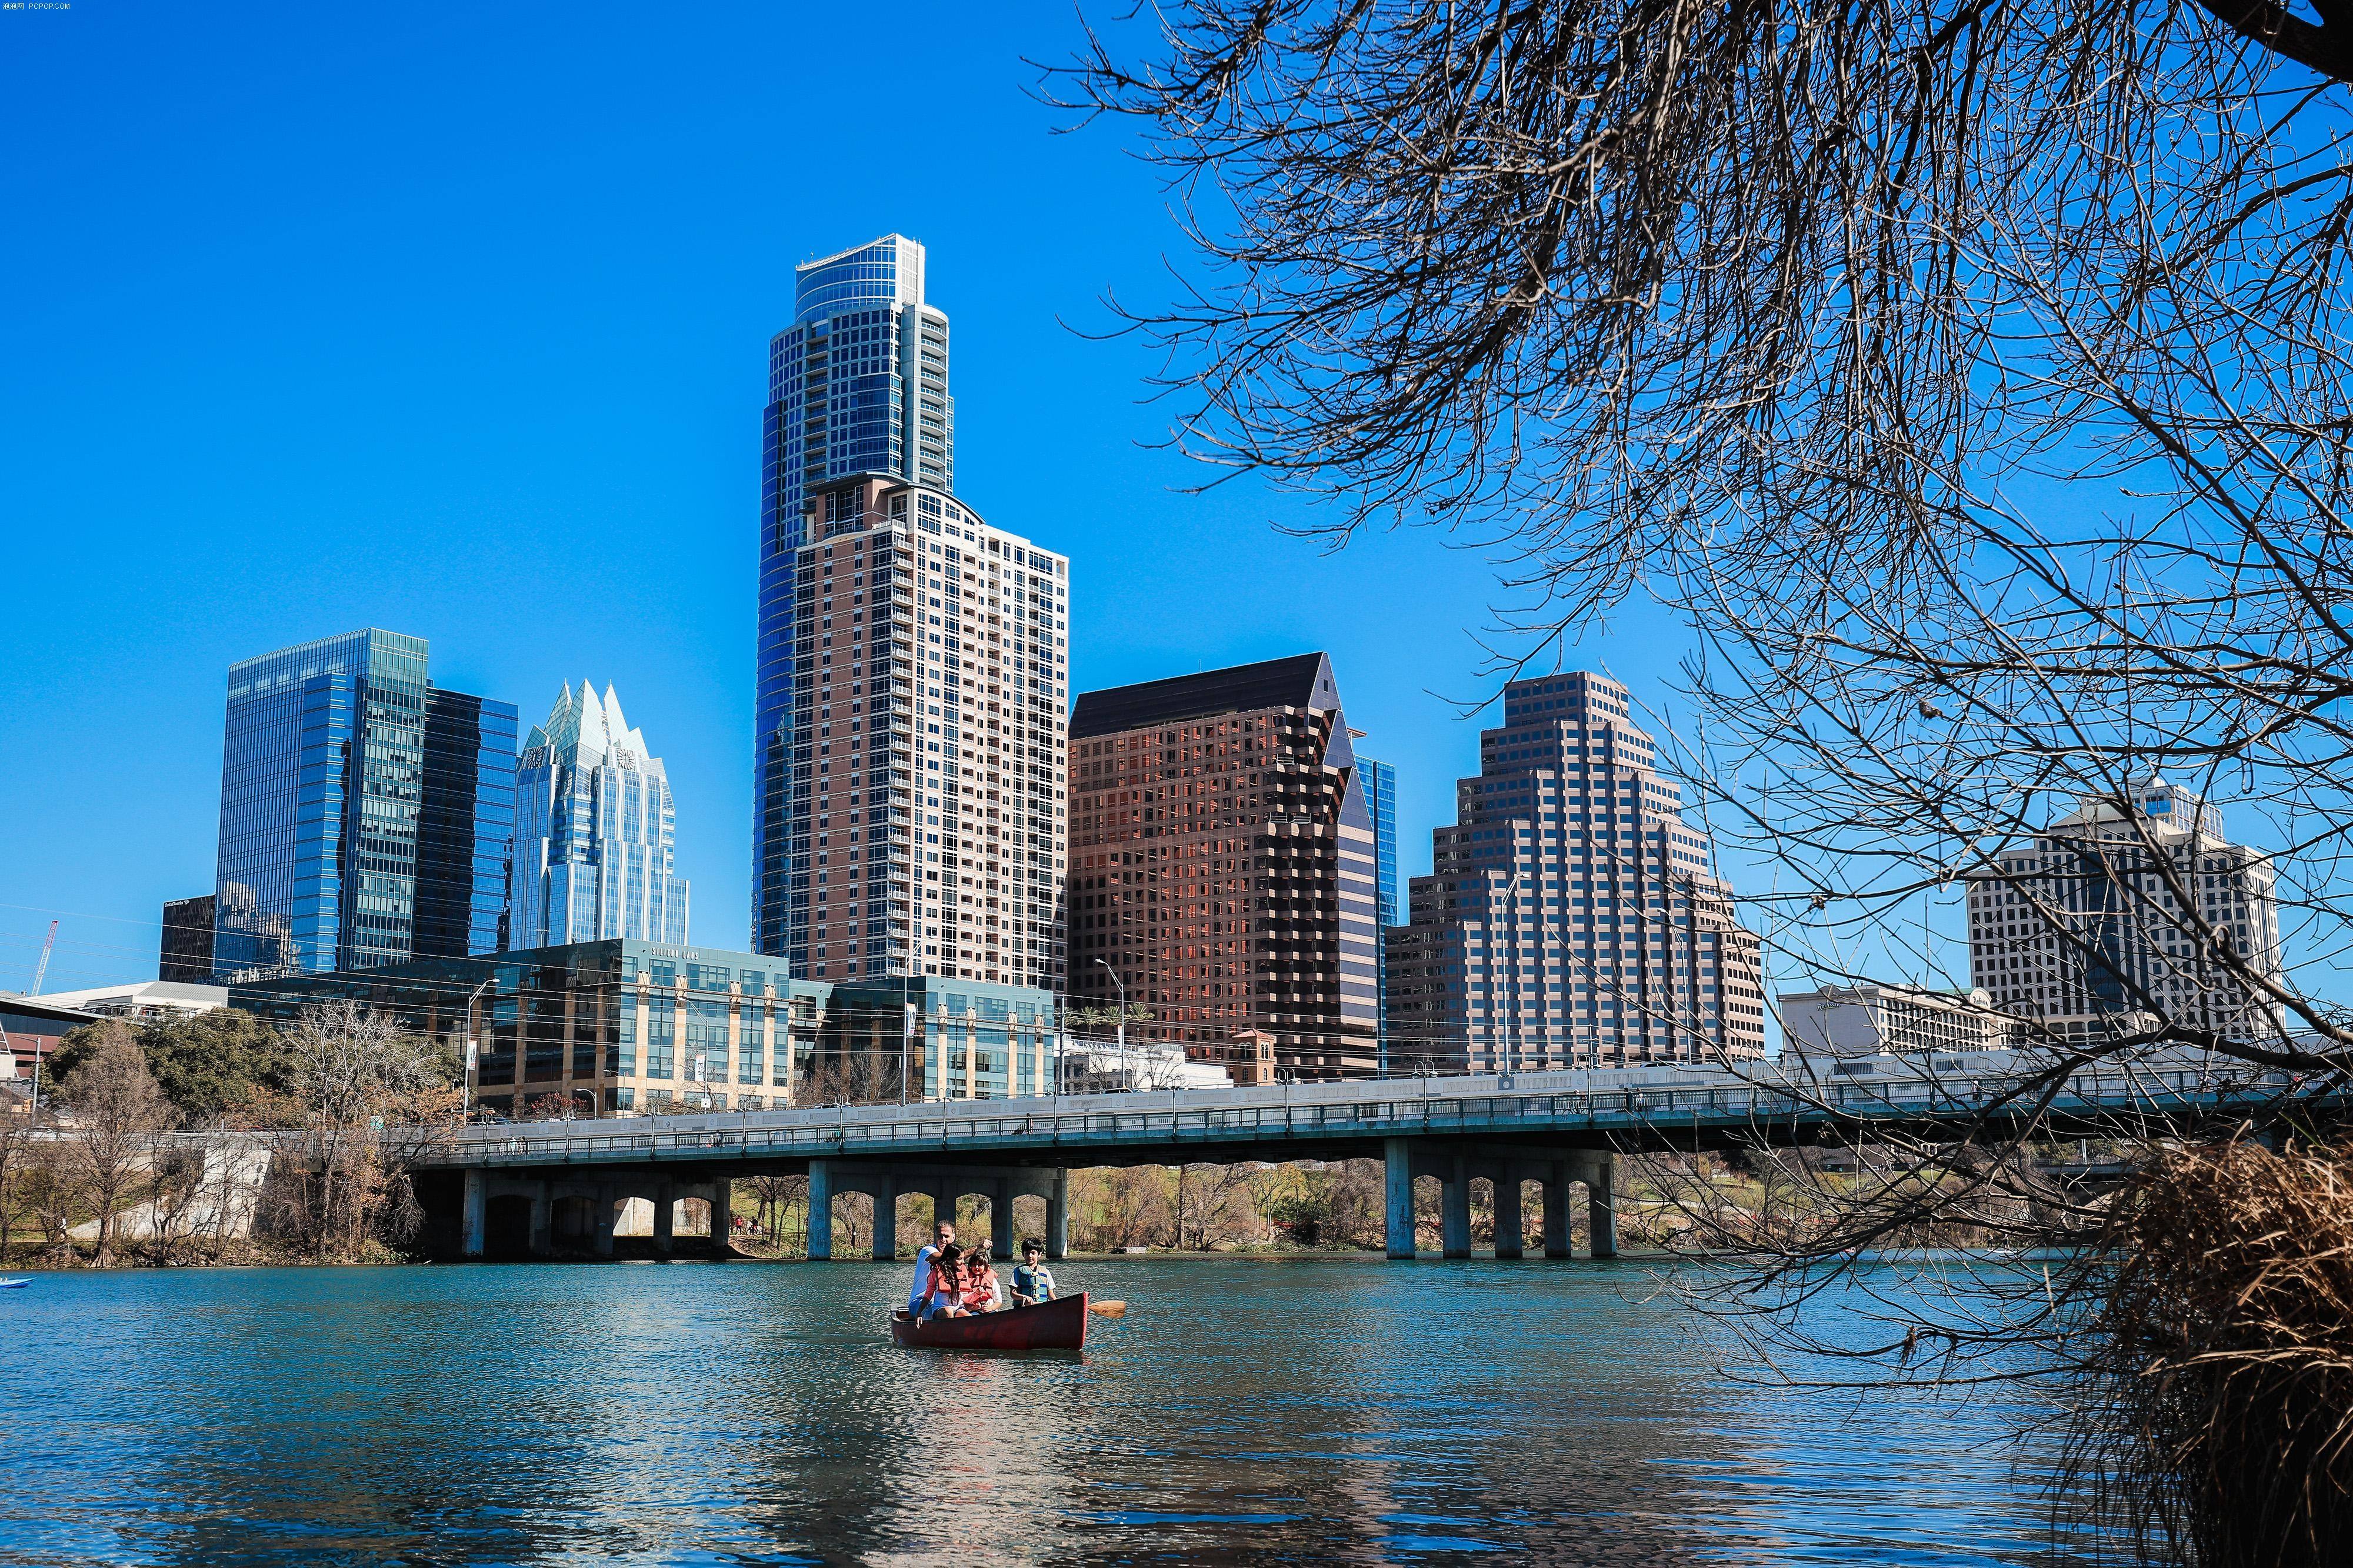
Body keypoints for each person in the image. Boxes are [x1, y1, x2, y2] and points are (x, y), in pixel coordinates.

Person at [908, 1217, 955, 1315]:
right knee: (946, 1311)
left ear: (953, 1238)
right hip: (919, 1302)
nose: (943, 1240)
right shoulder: (927, 1250)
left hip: (943, 1302)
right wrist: (976, 1248)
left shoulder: (956, 1259)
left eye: (946, 1236)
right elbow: (941, 1257)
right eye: (940, 1236)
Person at [917, 1243, 969, 1321]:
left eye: (963, 1259)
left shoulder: (963, 1271)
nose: (963, 1262)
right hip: (940, 1309)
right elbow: (929, 1294)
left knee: (969, 1318)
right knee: (948, 1311)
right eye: (959, 1259)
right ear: (949, 1259)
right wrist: (919, 1312)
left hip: (959, 1308)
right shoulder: (936, 1272)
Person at [1010, 1239, 1057, 1306]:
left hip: (1041, 1308)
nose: (1030, 1256)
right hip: (1023, 1309)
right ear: (1023, 1254)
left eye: (1033, 1253)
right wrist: (1024, 1297)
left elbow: (1051, 1295)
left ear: (1039, 1254)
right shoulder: (1018, 1271)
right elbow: (1013, 1294)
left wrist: (1058, 1305)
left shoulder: (1046, 1272)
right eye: (1027, 1253)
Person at [962, 1240, 1003, 1313]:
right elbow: (963, 1300)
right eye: (974, 1265)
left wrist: (991, 1308)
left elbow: (998, 1301)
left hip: (990, 1309)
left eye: (980, 1265)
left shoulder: (992, 1280)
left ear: (986, 1267)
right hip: (973, 1311)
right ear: (971, 1266)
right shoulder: (966, 1280)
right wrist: (973, 1307)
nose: (977, 1267)